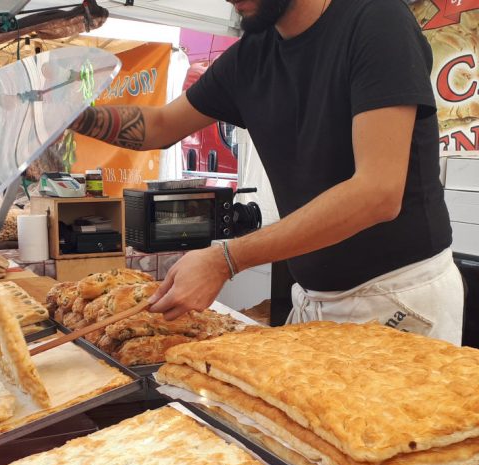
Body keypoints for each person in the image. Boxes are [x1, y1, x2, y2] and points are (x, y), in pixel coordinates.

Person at [70, 0, 464, 344]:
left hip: (398, 297)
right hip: (315, 299)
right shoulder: (251, 56)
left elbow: (377, 193)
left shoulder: (376, 20)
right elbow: (160, 125)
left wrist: (225, 259)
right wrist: (64, 117)